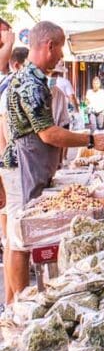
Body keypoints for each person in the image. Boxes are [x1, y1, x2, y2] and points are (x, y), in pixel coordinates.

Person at [2, 22, 104, 297]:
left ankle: (20, 299)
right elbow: (48, 134)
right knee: (19, 239)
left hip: (30, 165)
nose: (62, 55)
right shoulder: (30, 82)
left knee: (22, 236)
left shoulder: (30, 78)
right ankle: (20, 304)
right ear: (49, 45)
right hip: (22, 167)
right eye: (60, 47)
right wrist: (90, 140)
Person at [0, 46, 27, 304]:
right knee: (15, 240)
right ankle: (13, 303)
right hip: (13, 169)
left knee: (12, 239)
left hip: (10, 168)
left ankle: (11, 303)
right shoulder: (11, 90)